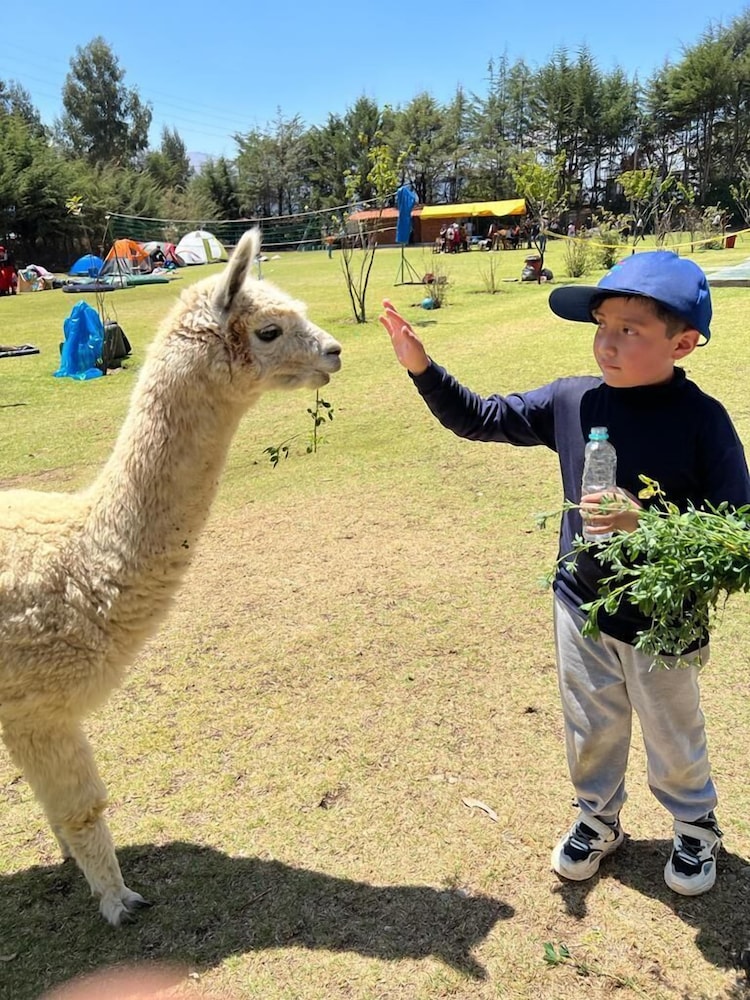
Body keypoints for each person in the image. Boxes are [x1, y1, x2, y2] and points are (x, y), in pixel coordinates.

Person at [380, 250, 750, 896]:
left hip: (663, 617)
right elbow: (481, 418)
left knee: (672, 730)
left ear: (683, 343)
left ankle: (695, 824)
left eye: (630, 329)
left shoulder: (703, 421)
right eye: (602, 325)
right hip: (581, 602)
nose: (607, 342)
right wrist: (422, 367)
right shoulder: (573, 401)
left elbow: (735, 529)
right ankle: (597, 817)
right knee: (591, 723)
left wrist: (646, 522)